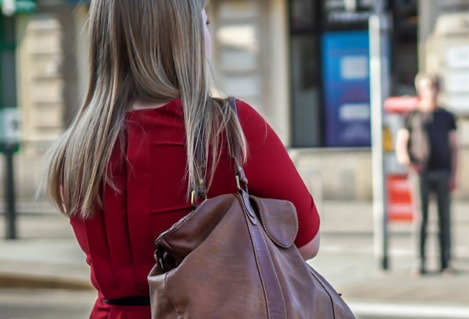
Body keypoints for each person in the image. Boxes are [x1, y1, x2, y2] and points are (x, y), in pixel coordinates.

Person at [42, 1, 321, 318]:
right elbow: (306, 242)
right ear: (183, 38)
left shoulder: (76, 148)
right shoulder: (229, 128)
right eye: (204, 24)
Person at [395, 74, 459, 276]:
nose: (432, 90)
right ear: (420, 89)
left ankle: (445, 261)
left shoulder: (447, 116)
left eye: (435, 86)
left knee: (444, 219)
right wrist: (409, 163)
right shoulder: (413, 115)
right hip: (421, 171)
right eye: (428, 86)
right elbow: (402, 142)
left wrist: (454, 174)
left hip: (442, 171)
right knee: (421, 217)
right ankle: (420, 260)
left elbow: (454, 146)